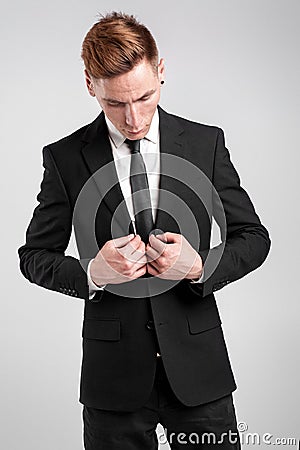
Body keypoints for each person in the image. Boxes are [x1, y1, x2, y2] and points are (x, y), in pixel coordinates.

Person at [18, 11, 271, 449]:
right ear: (89, 85)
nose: (132, 118)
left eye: (144, 97)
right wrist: (94, 273)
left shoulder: (204, 143)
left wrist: (200, 265)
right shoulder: (64, 158)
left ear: (161, 71)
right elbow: (34, 256)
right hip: (112, 380)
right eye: (114, 103)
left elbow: (254, 237)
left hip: (199, 372)